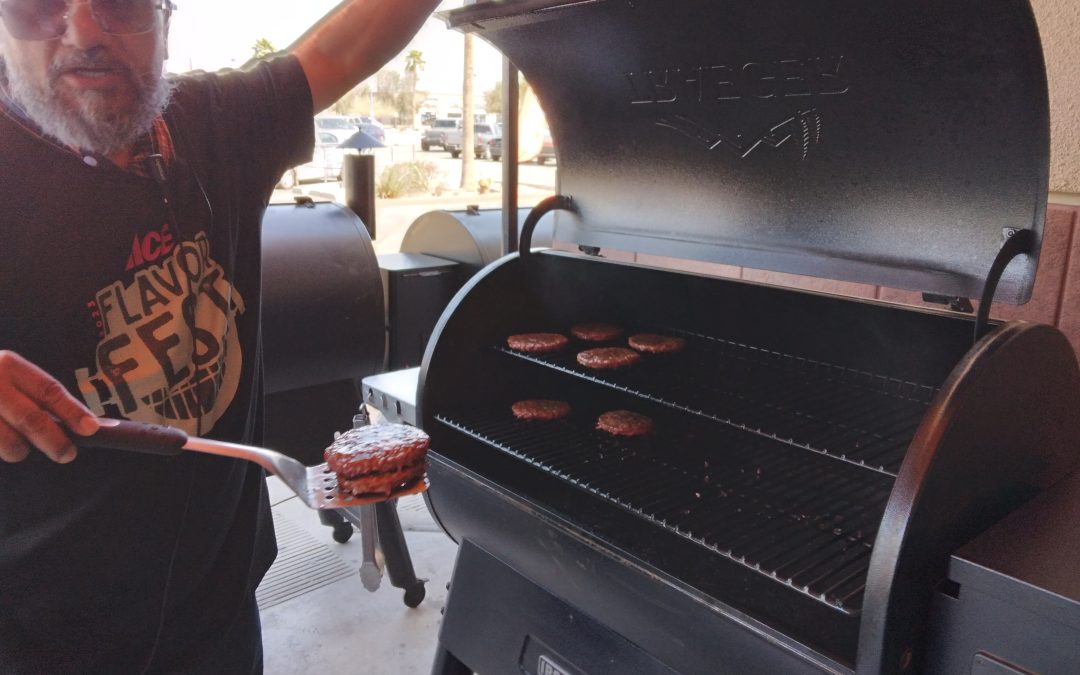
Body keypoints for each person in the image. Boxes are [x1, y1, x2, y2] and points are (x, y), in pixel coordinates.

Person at [0, 0, 441, 671]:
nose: (84, 31)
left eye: (119, 3)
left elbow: (346, 48)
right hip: (43, 640)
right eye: (39, 8)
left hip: (221, 617)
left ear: (165, 18)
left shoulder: (216, 123)